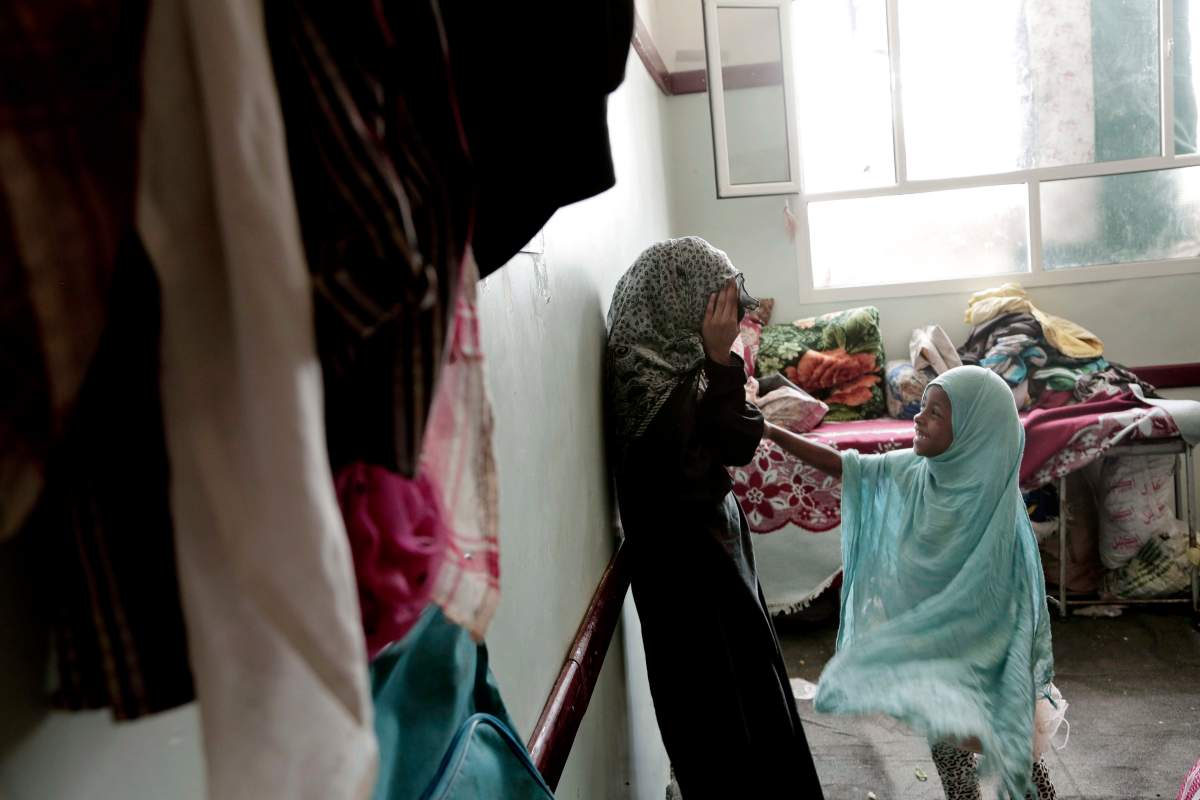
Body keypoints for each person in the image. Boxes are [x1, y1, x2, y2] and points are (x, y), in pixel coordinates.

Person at [768, 365, 1064, 799]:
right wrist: (775, 434)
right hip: (939, 653)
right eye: (922, 407)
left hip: (990, 658)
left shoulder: (995, 509)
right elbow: (846, 467)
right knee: (948, 749)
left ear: (973, 431)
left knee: (1014, 753)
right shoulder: (917, 472)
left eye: (936, 413)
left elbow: (1014, 608)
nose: (918, 418)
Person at [606, 237, 824, 798]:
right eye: (720, 303)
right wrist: (720, 361)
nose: (733, 315)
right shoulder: (649, 389)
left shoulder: (682, 370)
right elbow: (720, 450)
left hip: (718, 573)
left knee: (756, 716)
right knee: (725, 735)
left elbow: (736, 438)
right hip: (691, 589)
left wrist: (719, 362)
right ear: (679, 302)